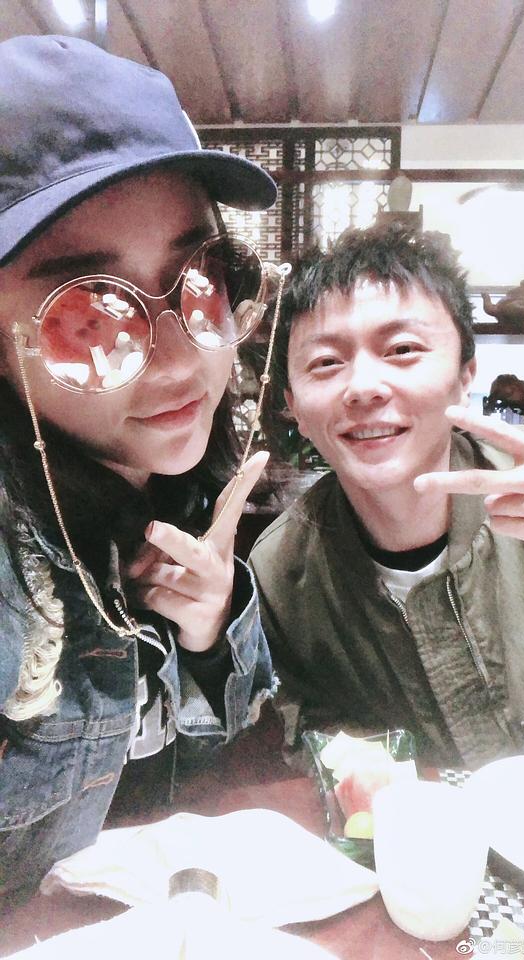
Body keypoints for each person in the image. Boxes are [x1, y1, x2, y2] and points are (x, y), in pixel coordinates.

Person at [0, 34, 283, 905]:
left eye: (202, 281)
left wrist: (210, 632)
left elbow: (200, 785)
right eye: (89, 317)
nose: (180, 360)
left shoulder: (180, 499)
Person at [250, 225, 524, 771]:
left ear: (465, 376)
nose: (363, 387)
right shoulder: (282, 571)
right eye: (326, 362)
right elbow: (322, 740)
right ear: (294, 406)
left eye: (402, 350)